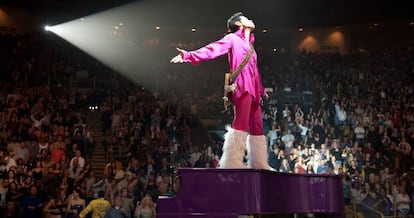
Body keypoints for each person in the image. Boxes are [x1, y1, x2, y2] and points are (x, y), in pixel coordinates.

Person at [170, 12, 273, 170]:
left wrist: (261, 90)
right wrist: (189, 56)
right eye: (246, 18)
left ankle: (258, 162)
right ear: (239, 24)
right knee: (241, 123)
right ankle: (231, 162)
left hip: (253, 89)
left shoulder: (250, 44)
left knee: (257, 126)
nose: (250, 19)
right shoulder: (232, 39)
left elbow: (255, 71)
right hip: (242, 86)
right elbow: (213, 49)